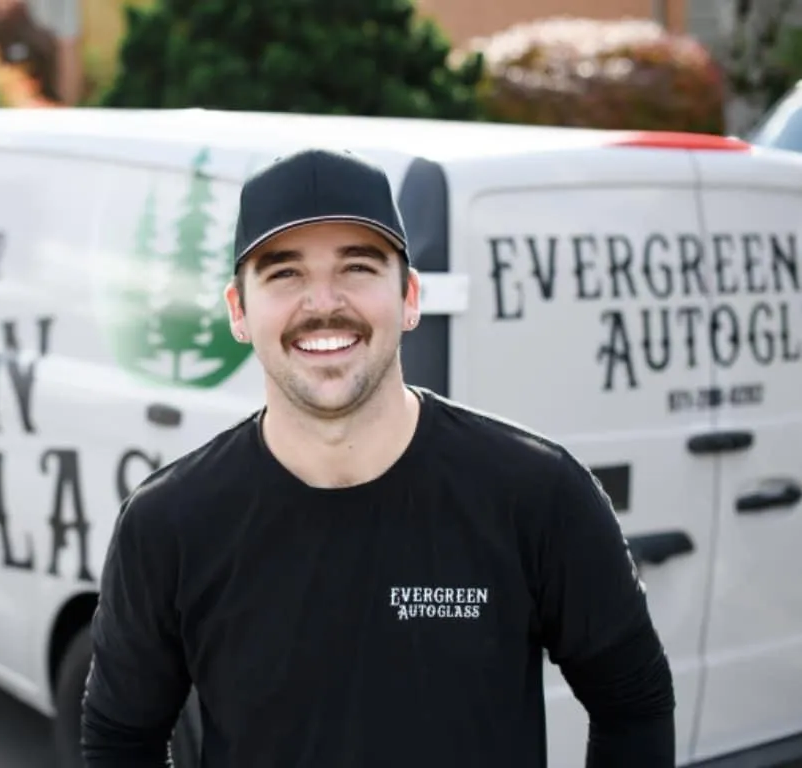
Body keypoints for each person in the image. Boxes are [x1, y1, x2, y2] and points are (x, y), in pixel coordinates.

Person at [80, 147, 676, 767]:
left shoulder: (537, 492)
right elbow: (121, 739)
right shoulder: (168, 523)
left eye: (358, 267)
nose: (323, 302)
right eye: (284, 274)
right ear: (238, 311)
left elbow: (633, 702)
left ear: (410, 297)